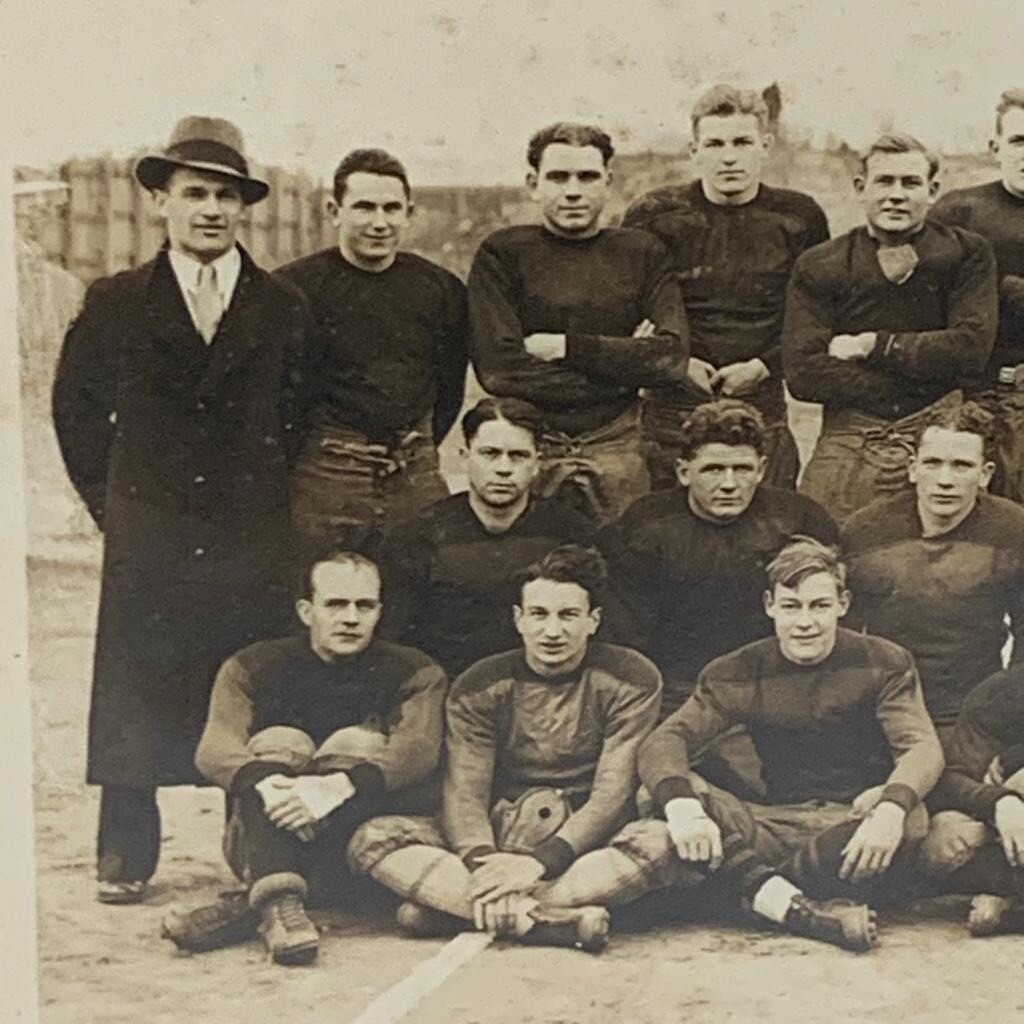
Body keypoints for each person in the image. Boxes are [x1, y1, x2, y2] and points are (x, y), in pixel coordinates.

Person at [52, 117, 313, 905]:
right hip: (151, 529)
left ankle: (251, 840)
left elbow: (298, 416)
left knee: (243, 680)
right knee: (136, 683)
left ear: (245, 209)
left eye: (226, 196)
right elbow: (76, 411)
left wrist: (265, 497)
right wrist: (116, 505)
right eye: (194, 193)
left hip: (247, 532)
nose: (210, 210)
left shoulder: (283, 307)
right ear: (160, 201)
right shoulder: (116, 301)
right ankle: (127, 847)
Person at [347, 546, 692, 952]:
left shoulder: (631, 677)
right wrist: (485, 866)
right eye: (539, 615)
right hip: (500, 833)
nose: (552, 631)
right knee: (372, 838)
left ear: (593, 621)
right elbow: (465, 792)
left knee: (663, 841)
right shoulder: (480, 683)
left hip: (583, 842)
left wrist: (539, 863)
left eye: (568, 616)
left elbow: (612, 795)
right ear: (519, 619)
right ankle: (542, 922)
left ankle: (454, 909)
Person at [639, 537, 944, 952]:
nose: (805, 622)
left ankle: (752, 892)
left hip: (850, 824)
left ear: (843, 603)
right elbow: (666, 739)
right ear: (769, 605)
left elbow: (921, 747)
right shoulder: (735, 670)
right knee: (662, 792)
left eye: (819, 606)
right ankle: (791, 899)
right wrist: (683, 806)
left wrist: (890, 807)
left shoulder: (884, 661)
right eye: (791, 606)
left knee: (912, 817)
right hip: (769, 823)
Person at [169, 549, 447, 966]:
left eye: (364, 606)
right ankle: (280, 902)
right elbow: (215, 749)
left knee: (358, 743)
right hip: (258, 840)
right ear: (306, 610)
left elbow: (418, 751)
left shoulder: (415, 670)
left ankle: (264, 905)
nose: (350, 617)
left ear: (378, 612)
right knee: (281, 741)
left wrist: (335, 787)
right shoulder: (252, 665)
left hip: (360, 849)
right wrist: (270, 784)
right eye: (335, 604)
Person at [468, 122, 689, 525]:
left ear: (608, 182)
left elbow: (671, 359)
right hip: (533, 449)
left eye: (587, 177)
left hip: (619, 446)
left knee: (623, 571)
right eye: (558, 177)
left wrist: (567, 349)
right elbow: (500, 371)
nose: (573, 190)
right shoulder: (503, 253)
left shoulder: (641, 253)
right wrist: (624, 364)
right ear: (533, 183)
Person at [783, 133, 998, 524]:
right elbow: (804, 373)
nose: (896, 195)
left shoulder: (967, 253)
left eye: (910, 183)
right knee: (816, 531)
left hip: (938, 429)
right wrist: (919, 373)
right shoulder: (821, 263)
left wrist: (874, 346)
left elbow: (971, 349)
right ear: (860, 187)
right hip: (851, 433)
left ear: (932, 191)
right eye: (884, 181)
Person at [623, 84, 829, 490]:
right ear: (694, 149)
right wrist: (676, 362)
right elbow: (631, 310)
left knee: (767, 530)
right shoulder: (654, 215)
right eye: (715, 143)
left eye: (742, 142)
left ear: (765, 145)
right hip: (672, 406)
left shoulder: (798, 217)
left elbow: (816, 316)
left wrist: (767, 365)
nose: (729, 156)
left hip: (760, 403)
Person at [600, 400, 838, 726]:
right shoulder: (646, 524)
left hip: (775, 686)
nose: (728, 484)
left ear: (762, 469)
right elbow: (627, 634)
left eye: (742, 469)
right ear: (684, 472)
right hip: (677, 691)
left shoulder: (799, 519)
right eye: (713, 470)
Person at [278, 148, 468, 552]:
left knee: (420, 594)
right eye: (364, 207)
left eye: (391, 208)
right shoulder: (291, 290)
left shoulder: (441, 289)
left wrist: (416, 446)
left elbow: (449, 387)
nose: (379, 223)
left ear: (409, 212)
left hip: (415, 472)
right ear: (334, 210)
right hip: (326, 476)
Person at [842, 402, 1024, 735]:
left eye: (961, 466)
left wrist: (1006, 719)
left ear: (985, 474)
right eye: (933, 463)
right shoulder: (865, 530)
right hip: (885, 708)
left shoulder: (1014, 530)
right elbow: (845, 638)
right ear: (912, 468)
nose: (944, 480)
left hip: (974, 709)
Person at [380, 397, 595, 676]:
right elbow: (394, 641)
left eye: (517, 456)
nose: (503, 469)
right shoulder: (417, 535)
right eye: (490, 453)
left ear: (537, 463)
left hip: (544, 688)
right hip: (448, 687)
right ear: (465, 457)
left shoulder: (571, 532)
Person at [930, 88, 1024, 501]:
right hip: (976, 394)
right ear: (995, 146)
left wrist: (999, 289)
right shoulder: (959, 212)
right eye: (1019, 141)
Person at [918, 664, 1024, 935]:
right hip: (1001, 830)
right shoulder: (1001, 691)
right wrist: (1001, 802)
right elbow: (954, 778)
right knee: (942, 842)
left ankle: (1011, 911)